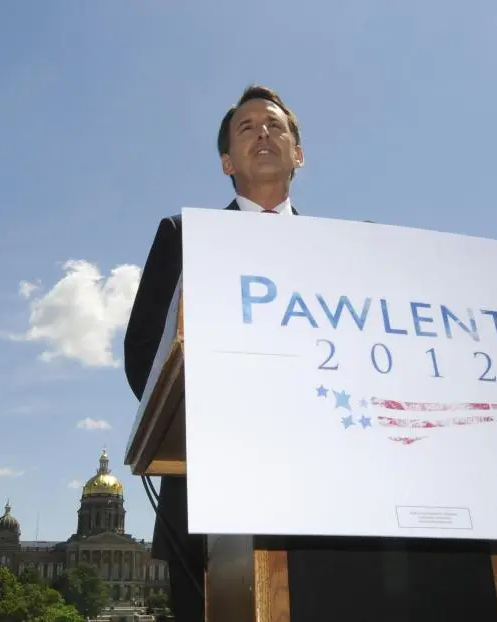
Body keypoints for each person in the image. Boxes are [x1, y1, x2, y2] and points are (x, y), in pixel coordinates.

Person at [123, 85, 304, 622]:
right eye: (246, 129)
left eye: (275, 125)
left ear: (298, 153)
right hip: (209, 504)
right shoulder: (183, 236)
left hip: (324, 506)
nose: (262, 133)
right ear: (228, 161)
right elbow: (144, 358)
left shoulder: (349, 252)